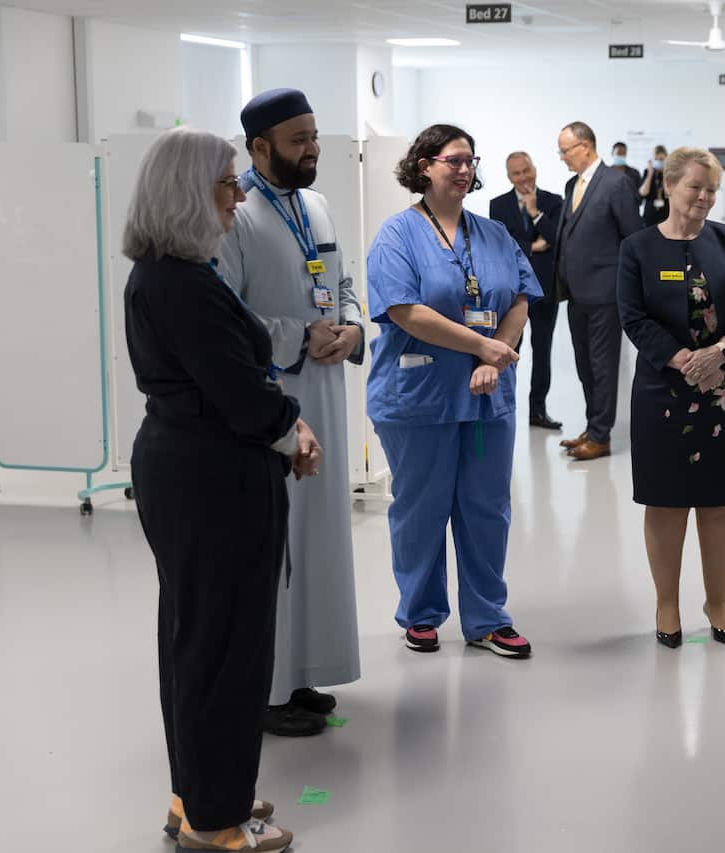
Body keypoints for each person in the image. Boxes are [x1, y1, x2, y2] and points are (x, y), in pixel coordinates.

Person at [124, 126, 319, 852]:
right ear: (189, 192)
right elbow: (239, 391)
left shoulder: (168, 273)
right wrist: (292, 430)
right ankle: (215, 819)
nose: (238, 197)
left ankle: (200, 792)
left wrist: (282, 424)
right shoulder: (182, 283)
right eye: (227, 183)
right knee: (226, 646)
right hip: (214, 478)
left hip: (190, 469)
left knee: (195, 637)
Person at [366, 124, 540, 659]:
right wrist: (480, 346)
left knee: (487, 507)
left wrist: (497, 354)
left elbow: (519, 298)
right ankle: (420, 614)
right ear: (424, 166)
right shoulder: (397, 235)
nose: (465, 170)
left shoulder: (494, 234)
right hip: (420, 396)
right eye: (453, 160)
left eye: (471, 161)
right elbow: (405, 311)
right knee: (421, 509)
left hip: (487, 397)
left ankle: (488, 618)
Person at [219, 88, 362, 738]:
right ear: (259, 147)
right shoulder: (236, 217)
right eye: (298, 139)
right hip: (273, 402)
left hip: (326, 394)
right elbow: (227, 316)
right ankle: (267, 688)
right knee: (275, 547)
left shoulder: (317, 205)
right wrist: (299, 336)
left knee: (317, 542)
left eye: (314, 135)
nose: (313, 149)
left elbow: (341, 284)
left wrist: (351, 327)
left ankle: (302, 672)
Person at [617, 147, 725, 649]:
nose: (704, 197)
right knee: (665, 501)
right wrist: (684, 359)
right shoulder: (638, 248)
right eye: (695, 187)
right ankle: (667, 602)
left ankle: (716, 601)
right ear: (668, 186)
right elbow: (633, 317)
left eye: (712, 190)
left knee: (720, 500)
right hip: (664, 390)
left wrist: (721, 352)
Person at [554, 121, 645, 460]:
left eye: (565, 150)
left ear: (586, 147)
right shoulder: (572, 185)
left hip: (605, 293)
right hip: (575, 293)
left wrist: (629, 289)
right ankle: (593, 425)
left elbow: (633, 238)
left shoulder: (616, 184)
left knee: (603, 366)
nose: (562, 157)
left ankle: (601, 436)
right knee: (585, 366)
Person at [489, 151, 565, 429]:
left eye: (526, 171)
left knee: (542, 351)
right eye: (516, 173)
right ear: (509, 177)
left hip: (545, 289)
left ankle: (538, 412)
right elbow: (501, 245)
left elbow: (558, 239)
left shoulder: (554, 202)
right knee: (508, 350)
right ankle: (503, 408)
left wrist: (535, 213)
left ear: (535, 169)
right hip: (512, 292)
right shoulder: (498, 205)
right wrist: (534, 246)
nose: (523, 178)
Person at [638, 145, 671, 227]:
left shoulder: (670, 174)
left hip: (665, 214)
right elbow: (643, 193)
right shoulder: (647, 172)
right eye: (656, 159)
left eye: (661, 159)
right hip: (650, 215)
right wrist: (650, 174)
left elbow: (668, 193)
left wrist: (666, 173)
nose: (658, 161)